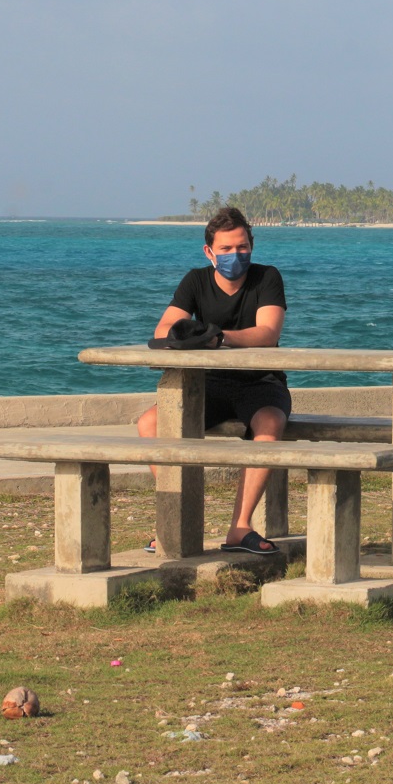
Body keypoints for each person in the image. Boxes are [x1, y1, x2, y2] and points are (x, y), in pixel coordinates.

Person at [137, 206, 288, 555]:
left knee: (270, 424)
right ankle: (180, 520)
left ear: (251, 245)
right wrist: (189, 333)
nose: (236, 254)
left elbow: (268, 332)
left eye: (242, 246)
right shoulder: (195, 280)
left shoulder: (267, 277)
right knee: (150, 423)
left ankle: (240, 527)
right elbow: (163, 330)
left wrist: (218, 337)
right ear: (209, 251)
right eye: (226, 249)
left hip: (261, 382)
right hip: (209, 384)